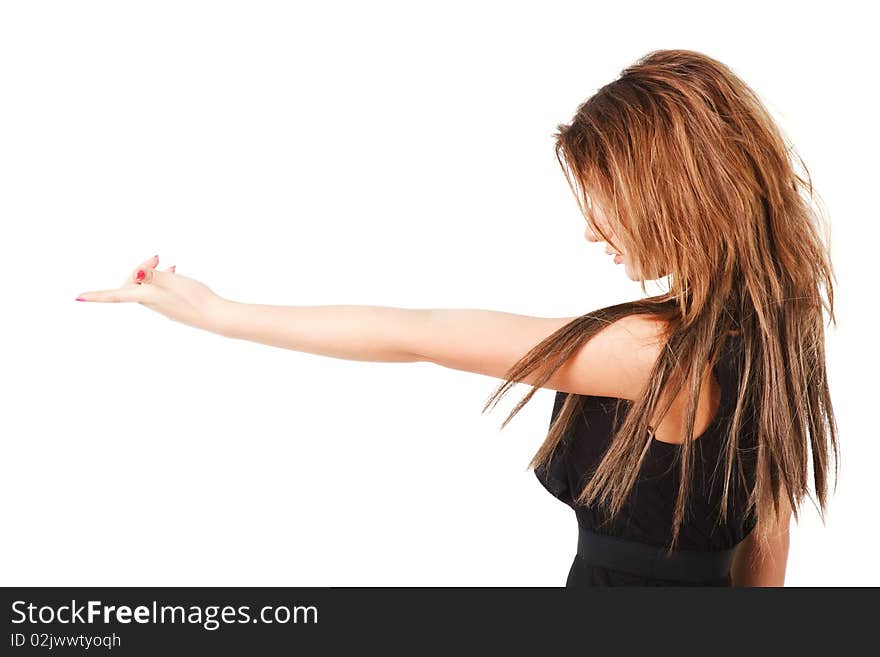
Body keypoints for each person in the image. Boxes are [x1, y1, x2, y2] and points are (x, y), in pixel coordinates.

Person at [74, 49, 838, 587]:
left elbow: (421, 333)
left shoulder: (651, 351)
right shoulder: (776, 331)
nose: (592, 229)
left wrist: (218, 312)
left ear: (672, 188)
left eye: (605, 196)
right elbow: (767, 542)